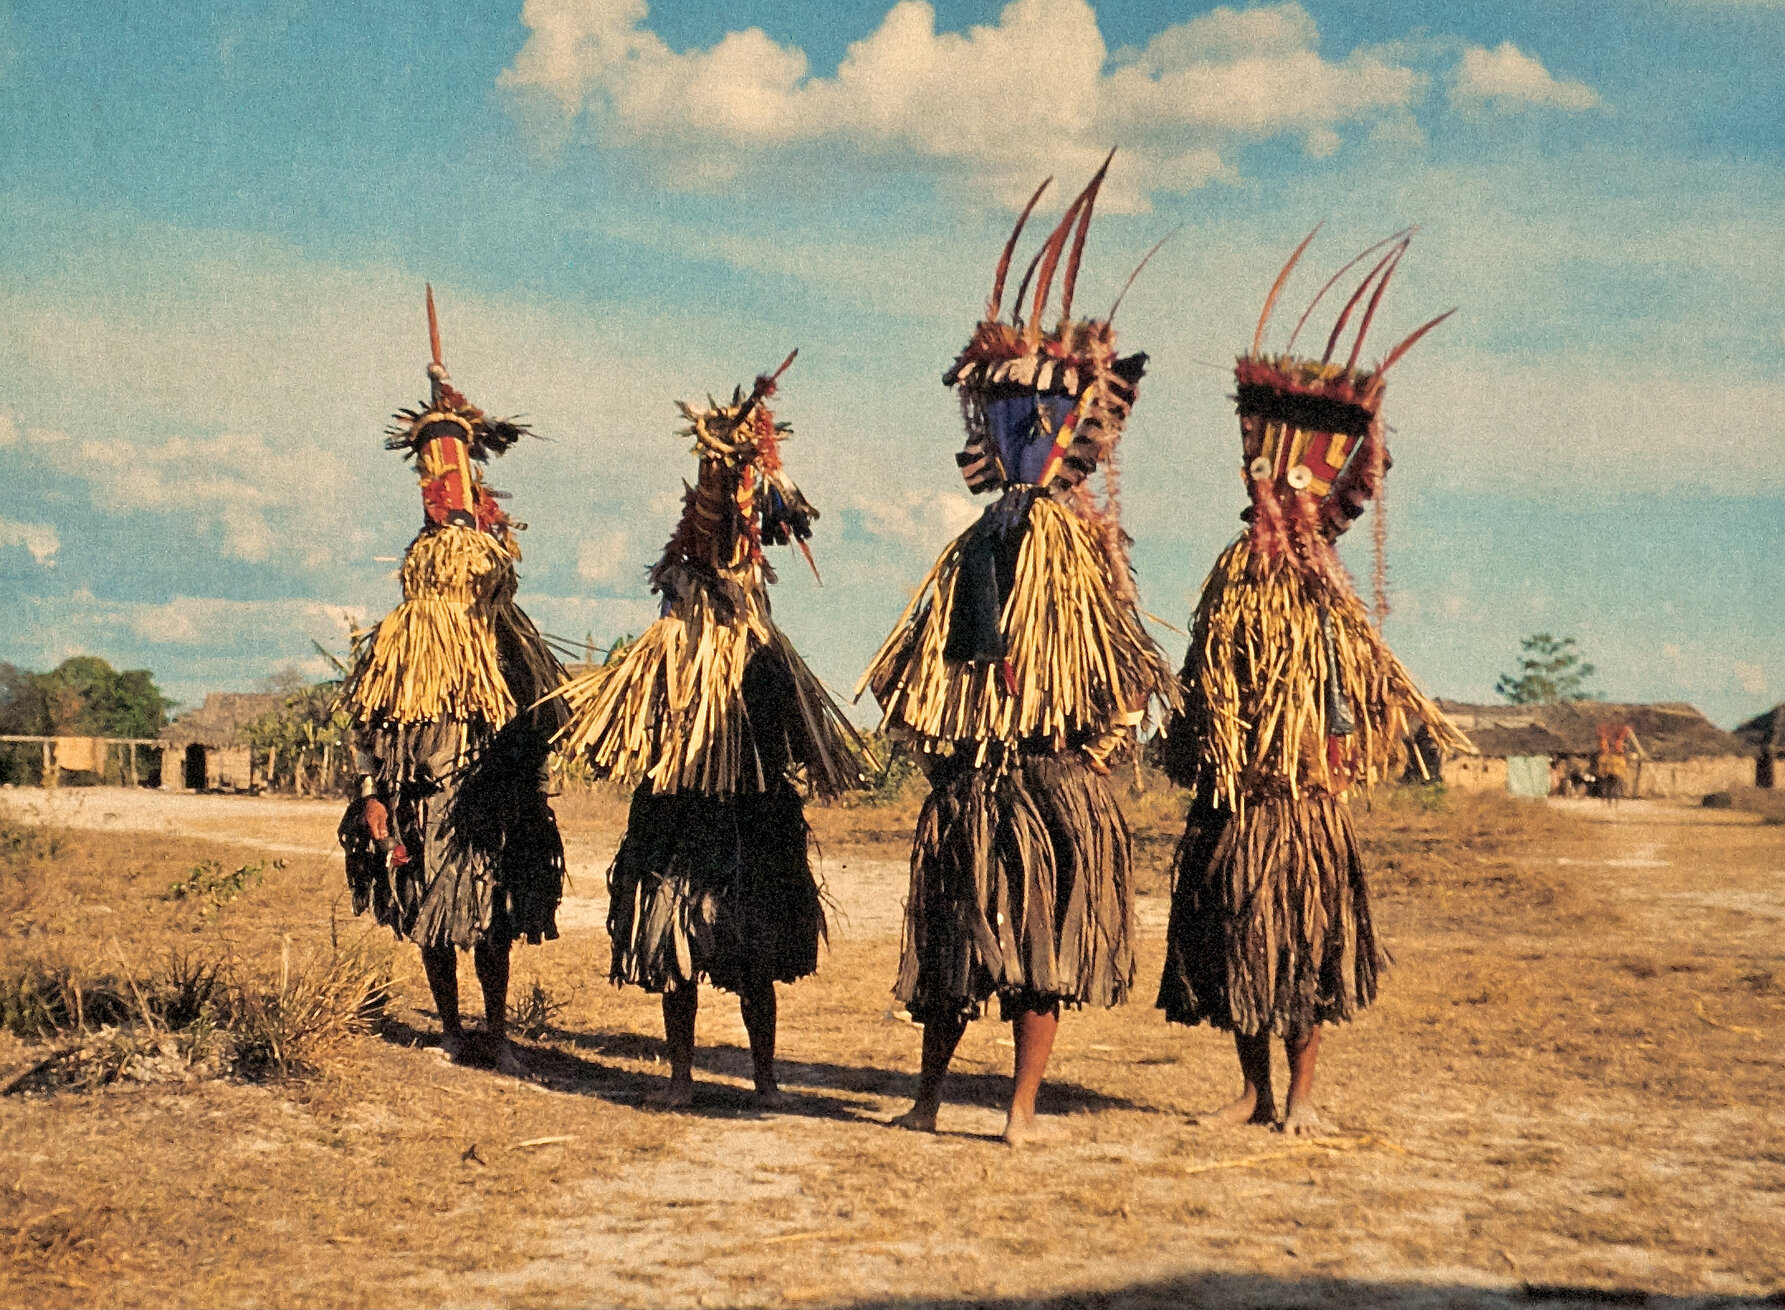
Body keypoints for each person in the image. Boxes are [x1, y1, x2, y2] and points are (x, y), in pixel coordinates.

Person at [858, 158, 1175, 1144]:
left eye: (1027, 419)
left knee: (1039, 951)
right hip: (973, 783)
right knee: (954, 948)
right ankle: (926, 1095)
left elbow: (1123, 674)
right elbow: (918, 676)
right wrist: (939, 745)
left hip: (1050, 783)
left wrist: (1095, 746)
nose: (1010, 437)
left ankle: (1020, 1109)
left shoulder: (1081, 556)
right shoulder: (976, 549)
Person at [1157, 232, 1471, 1133]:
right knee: (1235, 950)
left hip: (1302, 802)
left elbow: (1361, 693)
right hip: (1235, 799)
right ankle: (1252, 1090)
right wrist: (1199, 744)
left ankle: (1298, 1100)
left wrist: (1330, 754)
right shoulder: (1232, 574)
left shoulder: (1325, 590)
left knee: (1299, 951)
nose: (1264, 491)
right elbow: (1203, 671)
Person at [551, 356, 862, 1109]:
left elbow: (795, 734)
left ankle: (763, 1079)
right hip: (680, 810)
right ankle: (683, 1079)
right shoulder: (671, 643)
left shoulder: (762, 646)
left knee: (753, 956)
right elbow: (632, 724)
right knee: (677, 950)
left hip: (751, 812)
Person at [339, 286, 568, 1076]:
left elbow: (542, 715)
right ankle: (448, 1029)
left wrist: (527, 778)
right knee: (431, 917)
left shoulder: (507, 638)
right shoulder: (401, 638)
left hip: (488, 798)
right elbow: (365, 722)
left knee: (493, 919)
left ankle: (498, 1032)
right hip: (416, 796)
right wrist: (371, 792)